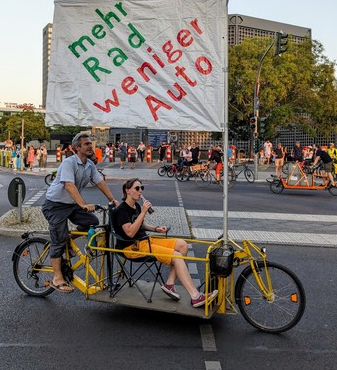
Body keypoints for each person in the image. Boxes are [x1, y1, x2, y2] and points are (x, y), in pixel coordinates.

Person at [112, 178, 218, 308]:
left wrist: (156, 229)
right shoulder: (121, 210)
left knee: (182, 245)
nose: (140, 191)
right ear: (127, 191)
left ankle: (169, 284)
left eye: (142, 188)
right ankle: (195, 296)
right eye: (137, 188)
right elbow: (130, 232)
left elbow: (141, 225)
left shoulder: (136, 206)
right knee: (177, 257)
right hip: (131, 247)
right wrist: (144, 212)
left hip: (145, 241)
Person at [42, 132, 119, 293]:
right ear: (77, 148)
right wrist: (83, 204)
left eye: (91, 144)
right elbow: (69, 185)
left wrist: (113, 200)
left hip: (71, 205)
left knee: (92, 222)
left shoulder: (89, 165)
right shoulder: (69, 163)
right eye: (86, 144)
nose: (90, 146)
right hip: (55, 205)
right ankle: (57, 278)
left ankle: (67, 241)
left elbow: (100, 182)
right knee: (58, 239)